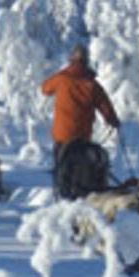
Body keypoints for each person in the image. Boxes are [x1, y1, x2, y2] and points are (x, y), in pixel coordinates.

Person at [41, 44, 120, 197]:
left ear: (71, 59)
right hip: (83, 136)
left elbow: (45, 89)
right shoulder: (92, 84)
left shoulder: (61, 78)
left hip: (62, 136)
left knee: (62, 170)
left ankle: (63, 196)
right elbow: (105, 106)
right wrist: (112, 120)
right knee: (86, 168)